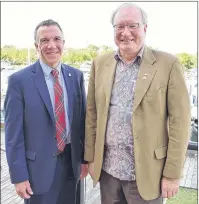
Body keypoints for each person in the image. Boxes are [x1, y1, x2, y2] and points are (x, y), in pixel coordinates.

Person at [84, 3, 190, 204]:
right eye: (119, 27)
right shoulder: (100, 63)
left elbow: (180, 124)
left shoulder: (168, 64)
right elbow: (92, 114)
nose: (126, 33)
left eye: (132, 26)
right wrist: (90, 158)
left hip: (147, 175)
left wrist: (172, 174)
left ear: (145, 28)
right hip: (108, 172)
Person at [4, 19, 88, 204]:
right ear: (36, 46)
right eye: (44, 40)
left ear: (63, 43)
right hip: (37, 172)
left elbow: (81, 122)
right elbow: (13, 136)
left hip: (71, 166)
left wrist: (84, 159)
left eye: (57, 39)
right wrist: (19, 176)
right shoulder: (19, 81)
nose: (51, 45)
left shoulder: (76, 76)